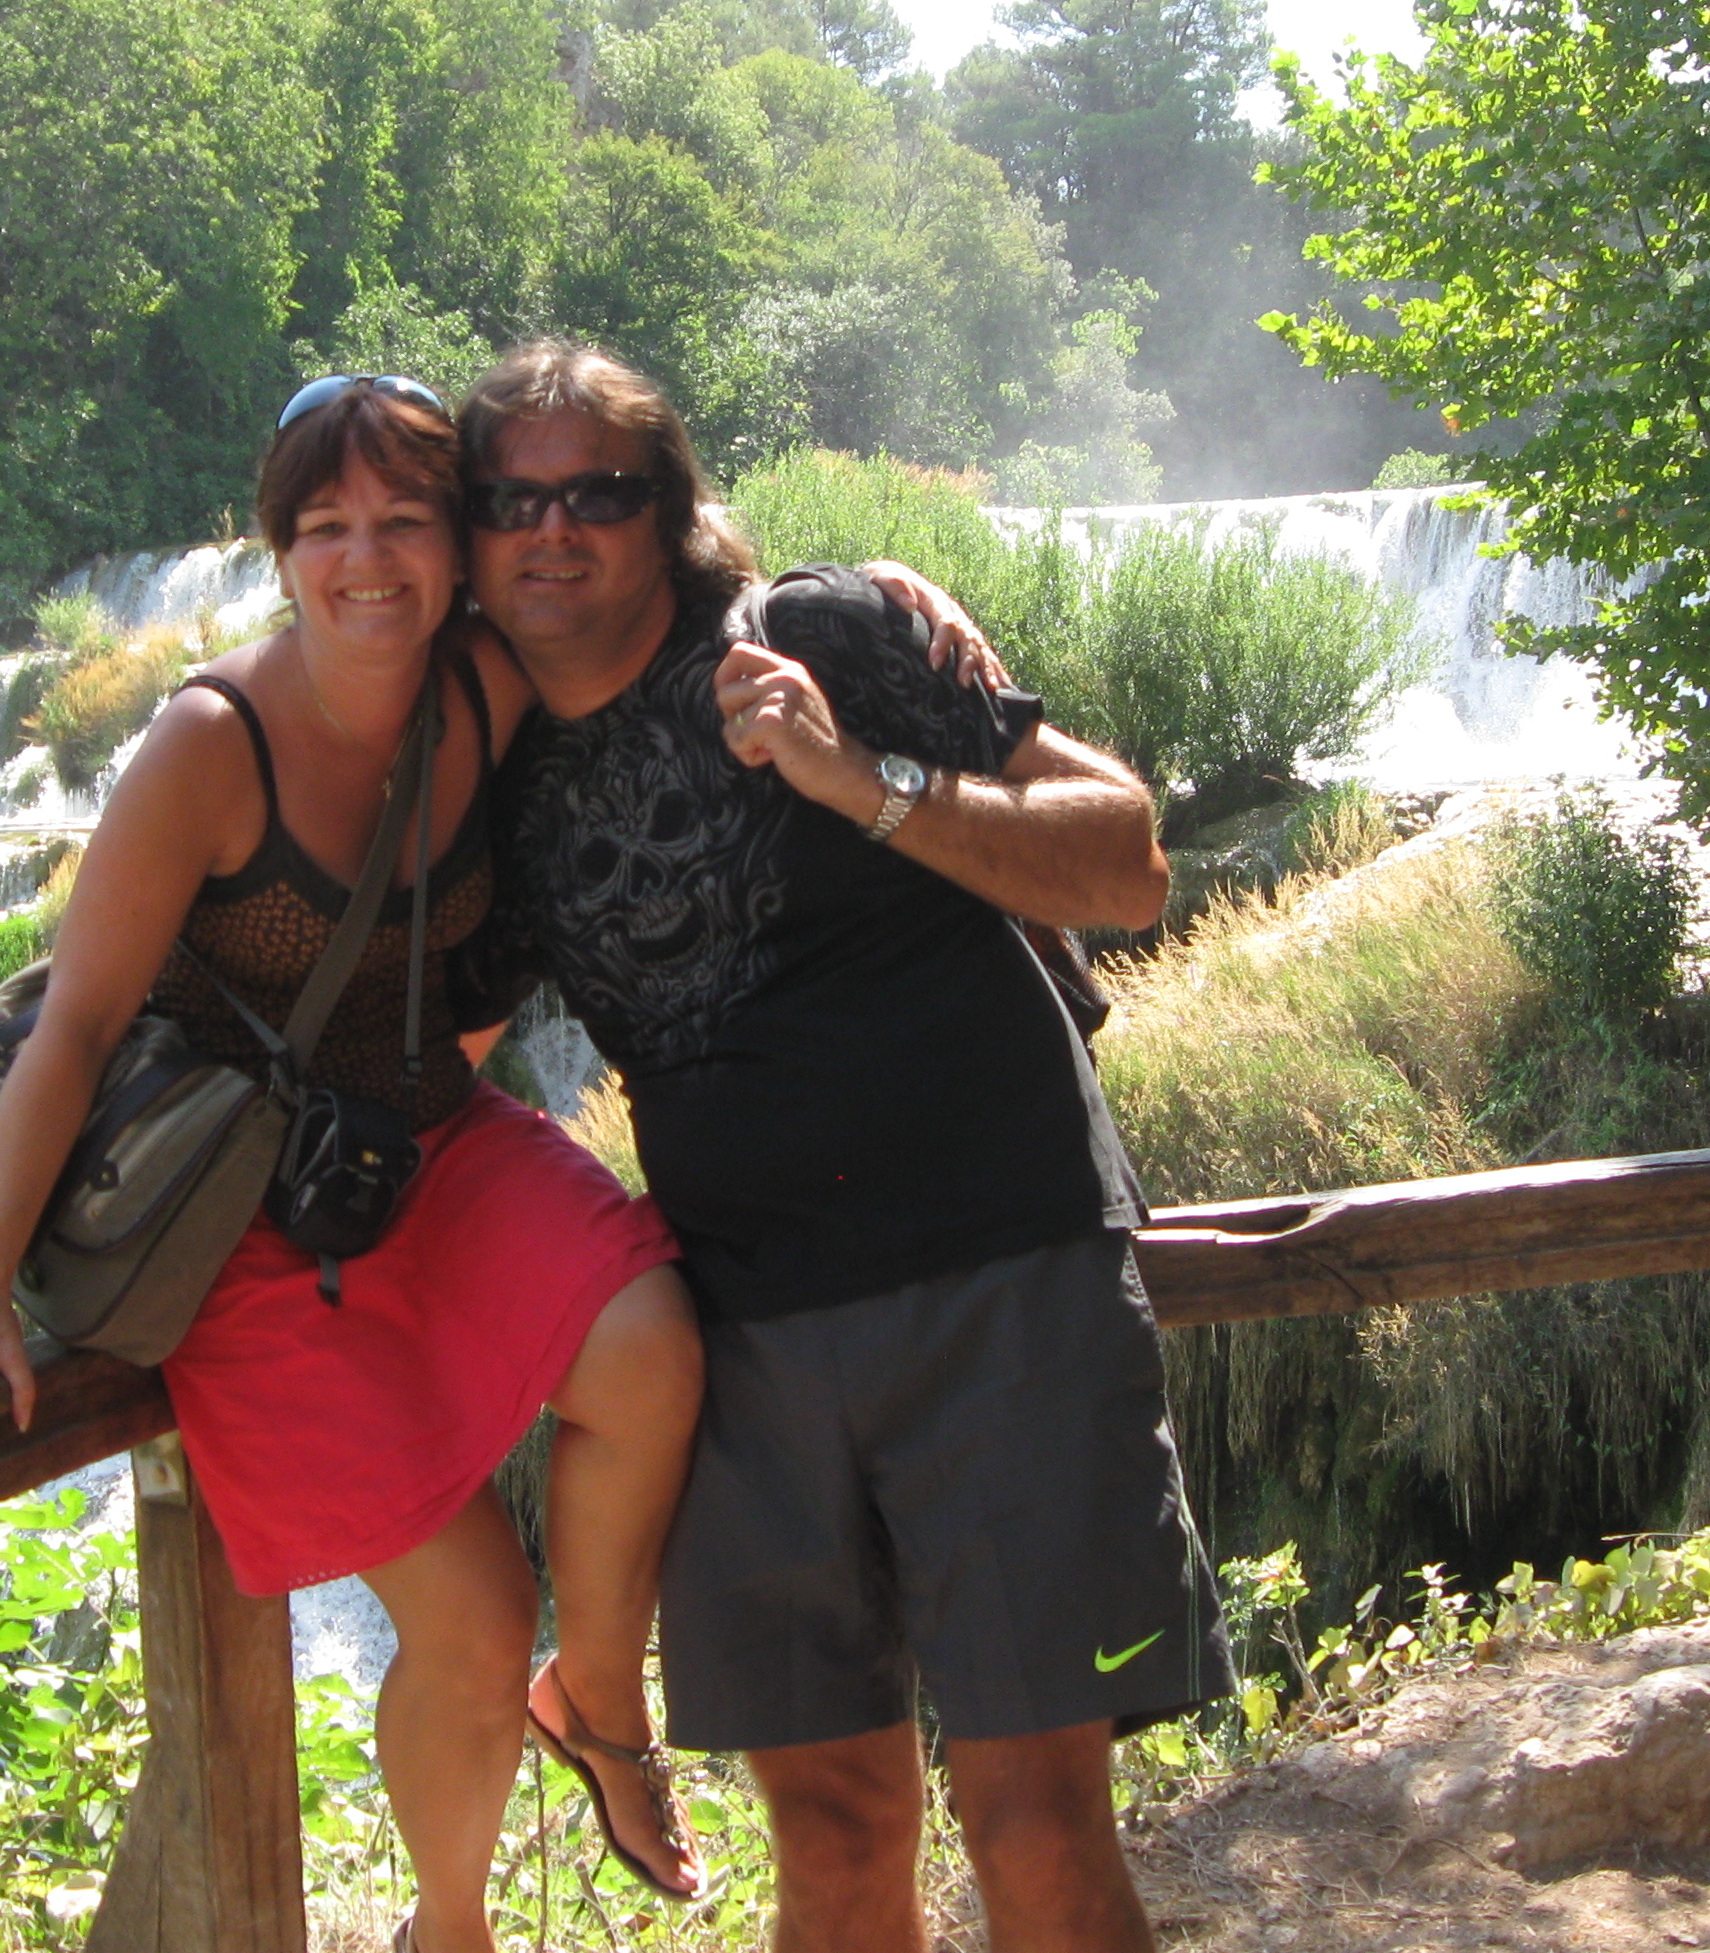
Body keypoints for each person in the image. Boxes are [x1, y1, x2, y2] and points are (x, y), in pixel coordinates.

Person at [0, 376, 707, 1953]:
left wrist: (871, 609)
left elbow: (682, 598)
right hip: (238, 1212)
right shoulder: (211, 744)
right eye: (327, 527)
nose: (366, 559)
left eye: (403, 520)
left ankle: (599, 1699)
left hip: (418, 1140)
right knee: (471, 1617)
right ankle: (449, 1930)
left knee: (652, 1345)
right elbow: (73, 1025)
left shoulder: (487, 681)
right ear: (281, 552)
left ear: (456, 545)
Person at [454, 341, 1232, 1953]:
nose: (552, 531)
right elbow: (430, 1060)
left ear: (666, 510)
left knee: (1034, 1828)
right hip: (741, 1349)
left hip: (1004, 1285)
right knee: (836, 1831)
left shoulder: (818, 635)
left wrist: (860, 779)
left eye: (596, 493)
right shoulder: (495, 788)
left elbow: (1128, 863)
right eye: (509, 501)